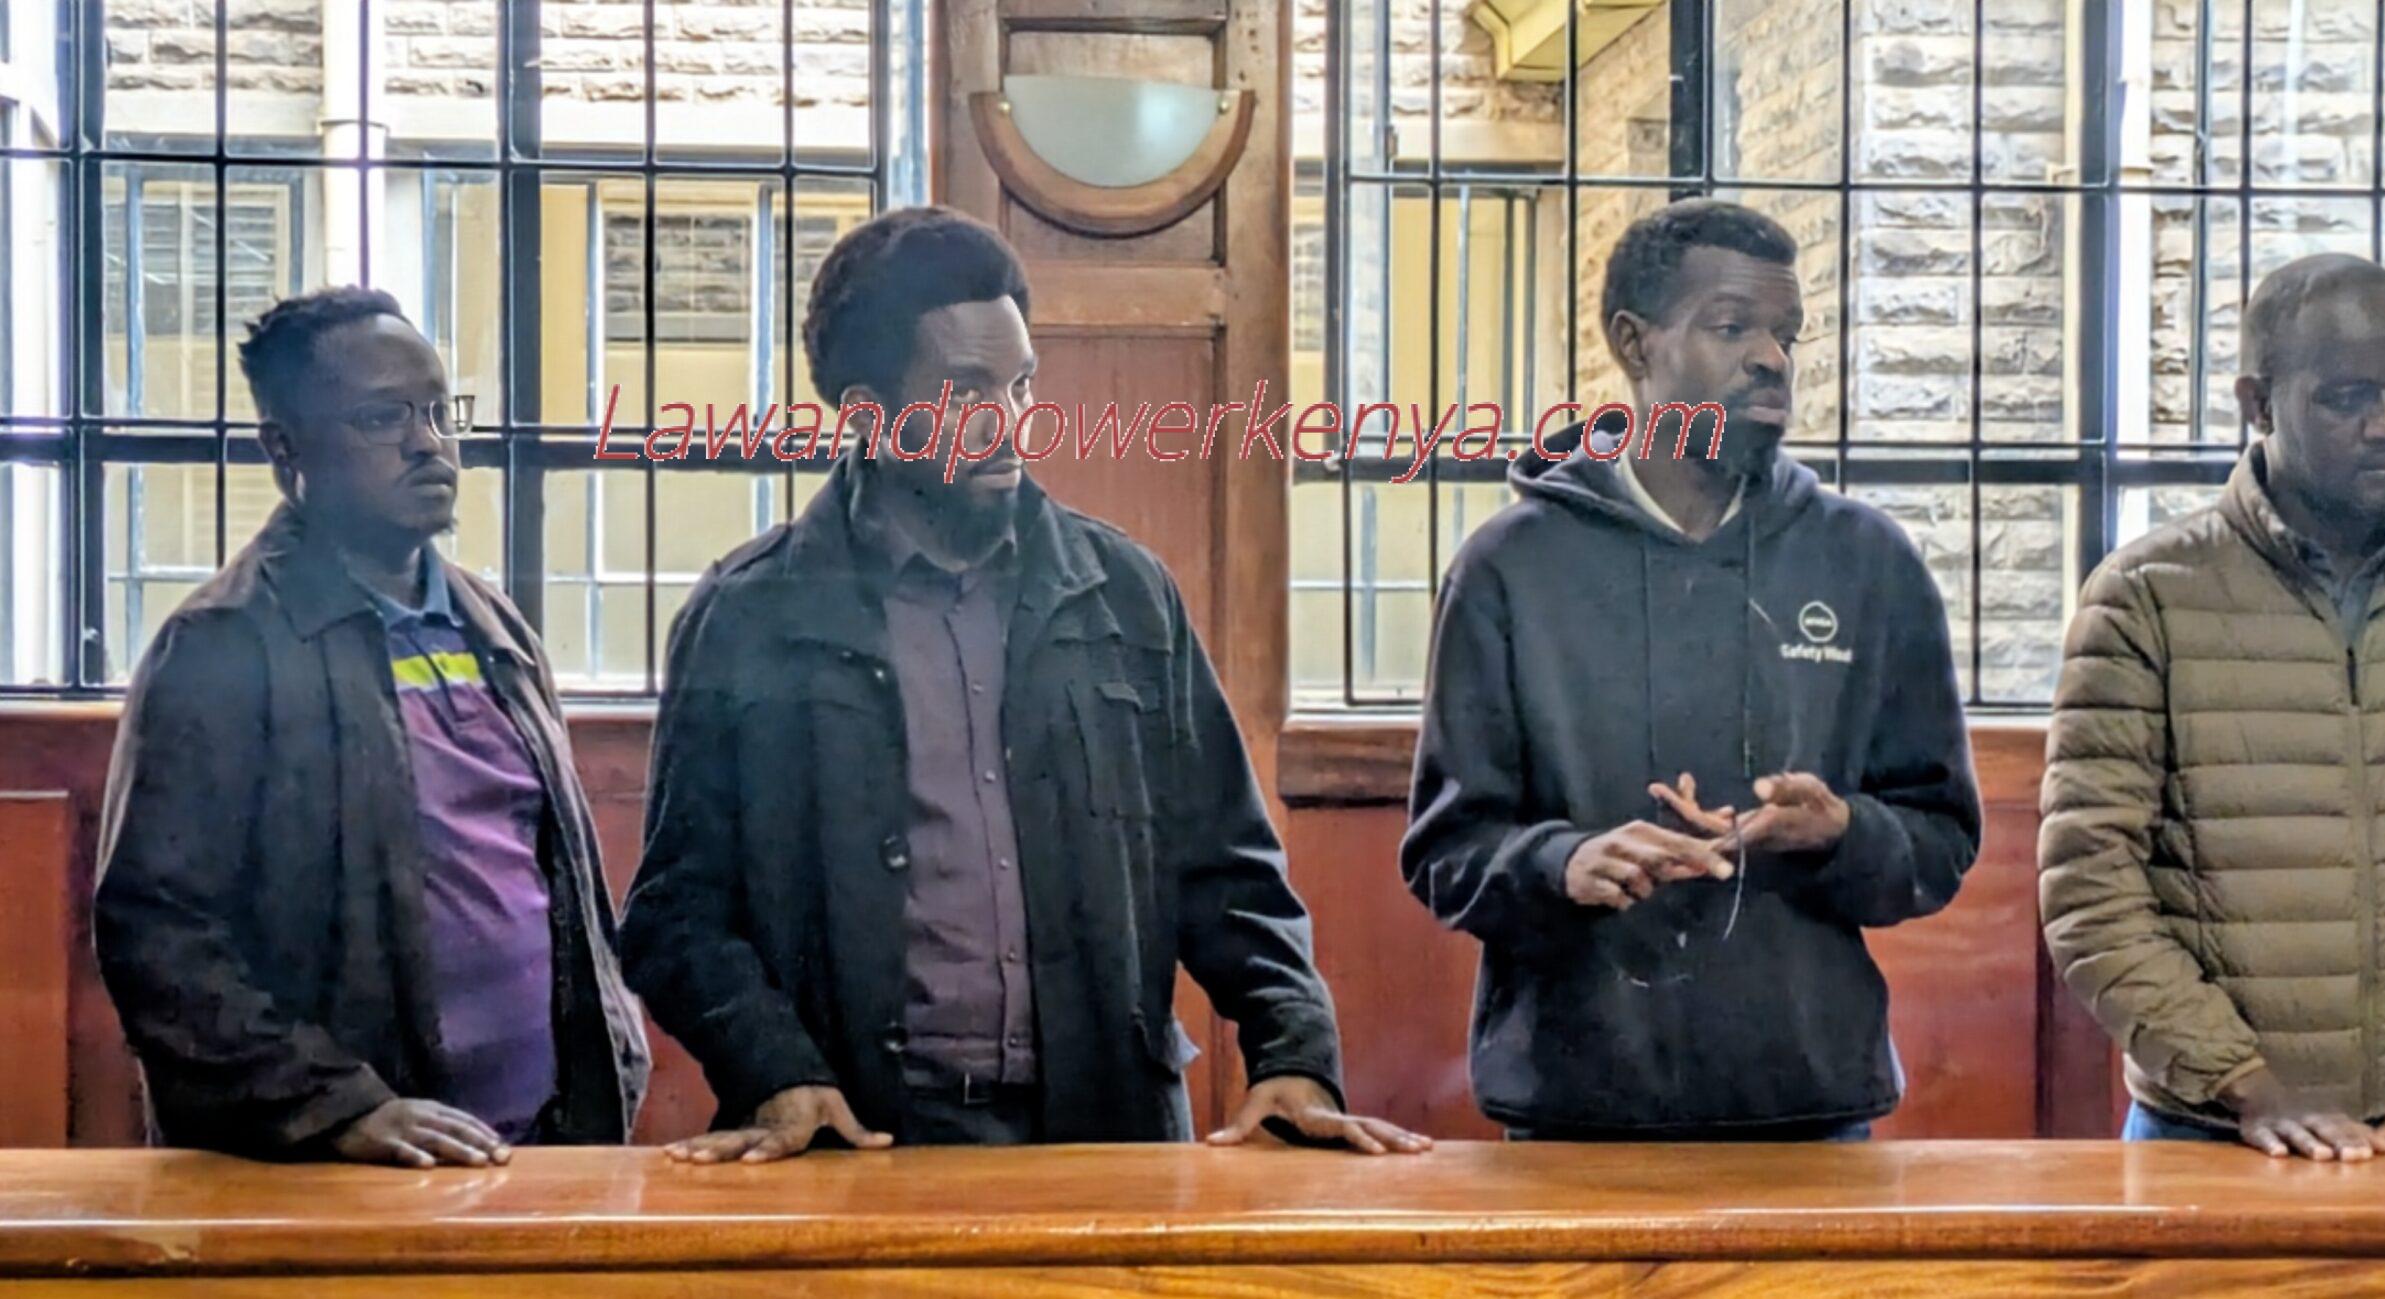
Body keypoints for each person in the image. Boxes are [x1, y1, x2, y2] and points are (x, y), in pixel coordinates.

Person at [620, 205, 1427, 1159]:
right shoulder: (749, 616)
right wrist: (776, 1072)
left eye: (1022, 384)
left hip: (1107, 1135)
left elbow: (1230, 870)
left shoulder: (1124, 596)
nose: (1010, 422)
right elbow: (676, 913)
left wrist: (1294, 1053)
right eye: (968, 390)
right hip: (861, 1139)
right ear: (867, 413)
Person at [1400, 198, 1983, 1142]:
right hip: (1575, 1113)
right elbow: (1446, 852)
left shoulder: (1868, 562)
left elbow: (1940, 839)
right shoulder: (1510, 567)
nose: (1772, 359)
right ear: (1636, 343)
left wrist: (1842, 830)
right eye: (1732, 327)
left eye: (1788, 333)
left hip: (1810, 1108)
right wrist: (1562, 862)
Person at [94, 287, 651, 1167]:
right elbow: (159, 937)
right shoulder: (222, 643)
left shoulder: (493, 626)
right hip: (339, 1161)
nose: (428, 442)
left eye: (438, 410)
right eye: (382, 418)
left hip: (543, 1147)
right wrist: (334, 1106)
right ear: (285, 449)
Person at [2042, 253, 2385, 1162]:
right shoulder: (2147, 596)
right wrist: (2245, 1080)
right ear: (2258, 403)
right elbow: (2092, 890)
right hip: (2211, 1130)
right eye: (2348, 398)